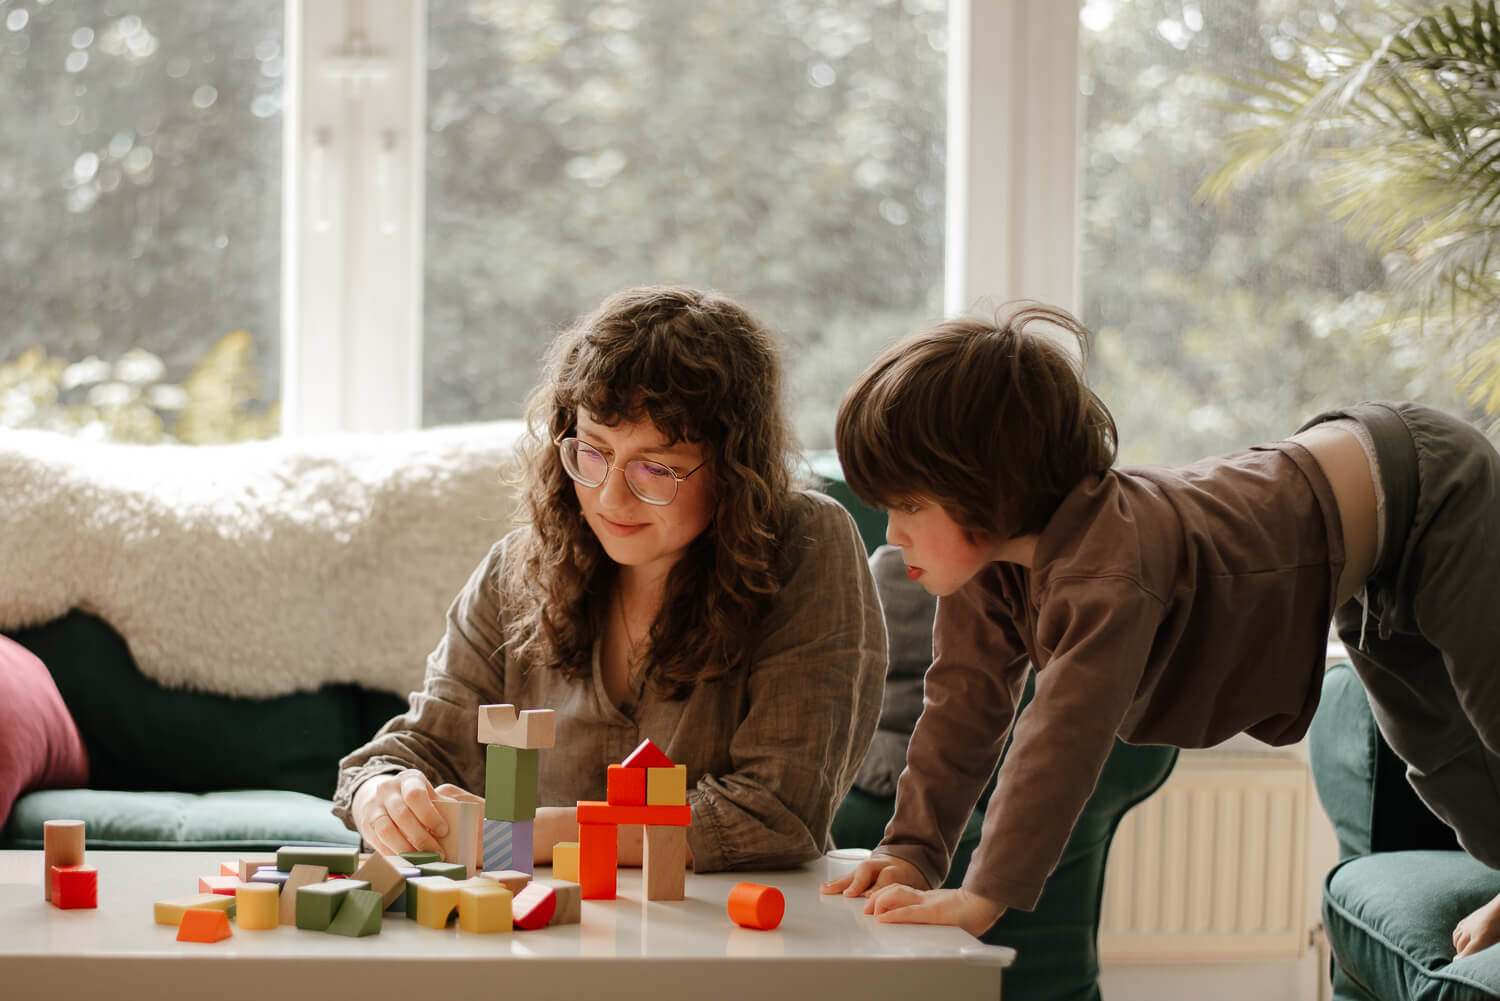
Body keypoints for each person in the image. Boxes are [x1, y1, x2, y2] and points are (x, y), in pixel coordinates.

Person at [820, 300, 1500, 958]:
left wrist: (984, 894)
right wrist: (909, 852)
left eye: (909, 504)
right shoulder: (989, 565)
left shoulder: (1107, 569)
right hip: (1363, 538)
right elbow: (962, 705)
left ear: (989, 491)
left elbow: (1060, 737)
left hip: (1429, 483)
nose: (892, 530)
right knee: (1438, 755)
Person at [333, 285, 885, 875]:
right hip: (540, 930)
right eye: (592, 452)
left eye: (656, 467)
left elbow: (778, 812)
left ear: (734, 468)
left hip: (723, 937)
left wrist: (513, 837)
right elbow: (418, 747)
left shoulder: (806, 545)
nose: (611, 496)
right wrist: (382, 796)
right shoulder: (516, 568)